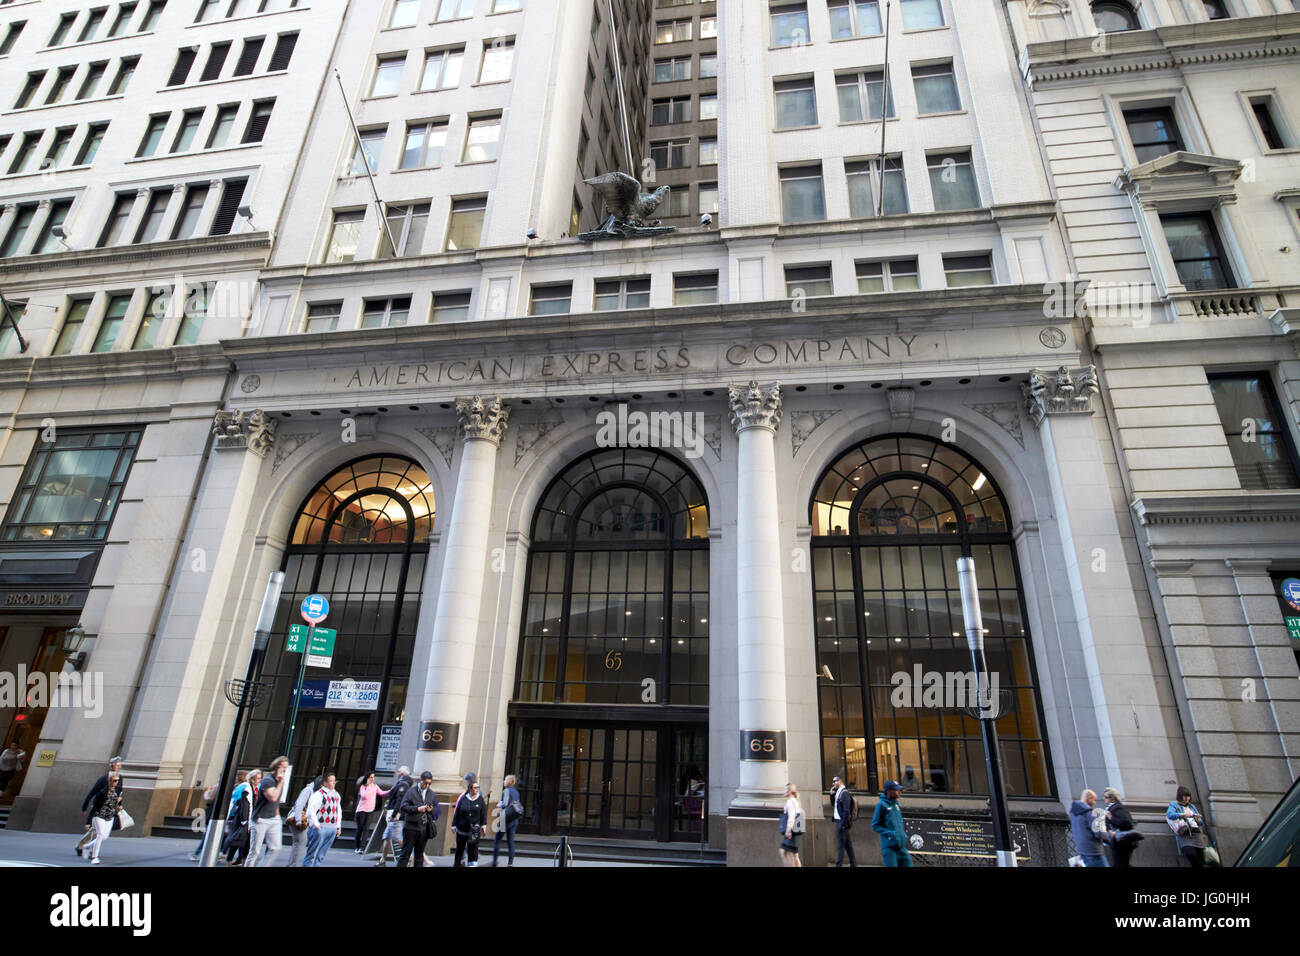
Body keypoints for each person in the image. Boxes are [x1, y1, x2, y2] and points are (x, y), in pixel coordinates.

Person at [76, 756, 124, 858]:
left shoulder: (120, 778)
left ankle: (83, 846)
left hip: (110, 808)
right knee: (97, 832)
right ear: (111, 766)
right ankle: (90, 850)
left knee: (98, 832)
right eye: (117, 765)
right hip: (99, 807)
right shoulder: (103, 779)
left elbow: (119, 793)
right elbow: (92, 793)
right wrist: (85, 807)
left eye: (120, 765)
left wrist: (119, 805)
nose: (119, 767)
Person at [247, 756, 289, 867]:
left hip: (274, 818)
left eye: (285, 767)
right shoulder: (268, 780)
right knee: (255, 851)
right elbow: (273, 798)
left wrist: (277, 814)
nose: (284, 770)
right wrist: (280, 783)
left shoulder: (279, 781)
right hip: (261, 819)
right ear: (276, 767)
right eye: (282, 767)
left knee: (275, 848)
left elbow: (277, 801)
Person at [398, 771, 440, 868]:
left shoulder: (431, 793)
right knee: (405, 854)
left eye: (429, 783)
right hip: (411, 827)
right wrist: (417, 809)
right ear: (420, 781)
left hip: (424, 828)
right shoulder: (411, 792)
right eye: (425, 783)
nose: (427, 785)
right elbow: (403, 806)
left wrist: (431, 809)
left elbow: (436, 808)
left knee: (419, 855)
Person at [222, 768, 261, 866]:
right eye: (257, 778)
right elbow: (244, 805)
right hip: (242, 820)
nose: (259, 780)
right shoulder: (246, 789)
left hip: (250, 820)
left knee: (247, 844)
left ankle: (243, 862)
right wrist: (244, 821)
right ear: (252, 779)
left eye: (260, 778)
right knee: (236, 842)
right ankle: (229, 863)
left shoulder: (256, 789)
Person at [85, 771, 125, 865]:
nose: (116, 783)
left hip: (109, 816)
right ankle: (94, 857)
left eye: (117, 781)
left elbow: (117, 802)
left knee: (104, 836)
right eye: (114, 781)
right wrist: (88, 822)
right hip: (99, 815)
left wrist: (119, 804)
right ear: (109, 781)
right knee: (100, 834)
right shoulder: (102, 793)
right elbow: (94, 807)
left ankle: (88, 846)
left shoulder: (117, 791)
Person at [376, 766, 413, 867]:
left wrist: (394, 814)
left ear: (402, 774)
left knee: (397, 838)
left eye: (399, 771)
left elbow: (399, 801)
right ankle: (382, 861)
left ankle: (411, 858)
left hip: (395, 816)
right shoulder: (400, 783)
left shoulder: (403, 785)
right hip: (392, 813)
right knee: (386, 837)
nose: (397, 773)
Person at [303, 772, 341, 867]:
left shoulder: (336, 795)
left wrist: (338, 826)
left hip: (331, 827)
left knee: (321, 855)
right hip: (321, 827)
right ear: (325, 783)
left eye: (334, 781)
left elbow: (338, 811)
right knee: (312, 854)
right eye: (331, 781)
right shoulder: (319, 794)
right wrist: (316, 825)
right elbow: (311, 811)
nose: (333, 783)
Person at [872, 780, 912, 868]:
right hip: (889, 847)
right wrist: (890, 834)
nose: (899, 792)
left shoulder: (896, 805)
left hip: (901, 846)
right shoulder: (881, 805)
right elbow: (875, 825)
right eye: (896, 790)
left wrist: (902, 835)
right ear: (889, 791)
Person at [286, 775, 322, 868]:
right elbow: (299, 804)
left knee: (299, 843)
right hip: (298, 820)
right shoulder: (308, 790)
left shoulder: (316, 791)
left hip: (304, 821)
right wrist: (298, 821)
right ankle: (292, 865)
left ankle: (292, 864)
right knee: (300, 843)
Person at [1167, 785, 1208, 867]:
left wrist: (1198, 819)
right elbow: (1170, 815)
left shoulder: (1192, 806)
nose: (1187, 799)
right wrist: (1183, 815)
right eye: (1185, 797)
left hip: (1196, 833)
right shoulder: (1174, 805)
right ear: (1180, 796)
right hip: (1185, 834)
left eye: (1188, 797)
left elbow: (1201, 823)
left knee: (1201, 858)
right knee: (1191, 854)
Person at [452, 773, 487, 867]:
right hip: (462, 828)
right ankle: (458, 863)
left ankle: (471, 864)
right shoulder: (463, 797)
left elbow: (483, 812)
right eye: (475, 788)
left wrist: (484, 825)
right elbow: (457, 812)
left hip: (474, 830)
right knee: (460, 849)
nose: (477, 790)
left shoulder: (479, 798)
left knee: (473, 849)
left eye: (477, 788)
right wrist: (454, 825)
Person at [1103, 786, 1143, 868]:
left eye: (1106, 797)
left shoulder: (1117, 807)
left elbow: (1125, 822)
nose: (1104, 799)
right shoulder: (1114, 807)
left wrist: (1111, 818)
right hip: (1119, 841)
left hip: (1122, 841)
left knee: (1121, 863)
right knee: (1120, 863)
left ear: (1112, 798)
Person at [353, 770, 390, 855]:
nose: (372, 779)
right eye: (371, 777)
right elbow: (364, 796)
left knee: (366, 829)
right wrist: (368, 786)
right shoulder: (363, 787)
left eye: (373, 777)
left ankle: (362, 848)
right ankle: (357, 846)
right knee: (360, 829)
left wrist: (391, 790)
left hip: (370, 810)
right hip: (361, 810)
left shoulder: (375, 786)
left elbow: (381, 793)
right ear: (367, 778)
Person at [1069, 788, 1108, 867]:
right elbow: (1098, 833)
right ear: (1089, 798)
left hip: (1082, 850)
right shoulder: (1089, 813)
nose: (1094, 803)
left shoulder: (1072, 812)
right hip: (1093, 850)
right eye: (1094, 800)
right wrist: (1111, 835)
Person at [491, 773, 522, 867]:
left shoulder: (507, 790)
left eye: (505, 780)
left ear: (510, 782)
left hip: (505, 818)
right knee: (510, 841)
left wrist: (498, 805)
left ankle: (494, 861)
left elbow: (505, 804)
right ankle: (510, 863)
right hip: (514, 819)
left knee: (497, 839)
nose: (504, 781)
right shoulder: (516, 792)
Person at [830, 774, 857, 868]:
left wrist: (843, 824)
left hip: (842, 823)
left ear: (840, 781)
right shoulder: (838, 792)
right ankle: (853, 864)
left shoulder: (844, 793)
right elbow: (834, 805)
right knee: (848, 846)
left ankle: (838, 865)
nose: (833, 783)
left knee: (840, 847)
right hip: (839, 822)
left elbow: (846, 810)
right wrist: (831, 795)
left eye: (835, 781)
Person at [189, 782, 218, 862]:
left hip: (213, 814)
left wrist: (207, 792)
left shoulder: (217, 786)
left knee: (207, 835)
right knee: (209, 835)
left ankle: (196, 854)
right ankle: (197, 854)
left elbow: (209, 799)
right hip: (217, 815)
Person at [779, 783, 803, 866]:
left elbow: (792, 817)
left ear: (789, 791)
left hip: (791, 831)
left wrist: (788, 831)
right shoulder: (795, 801)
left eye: (785, 789)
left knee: (784, 852)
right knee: (794, 855)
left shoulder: (790, 801)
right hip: (795, 830)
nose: (784, 791)